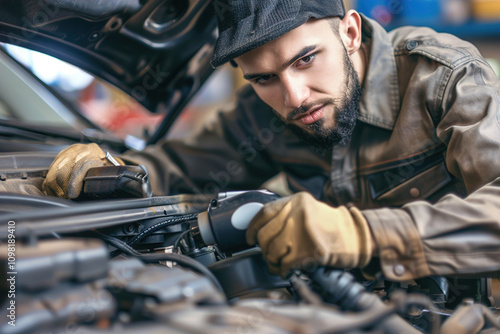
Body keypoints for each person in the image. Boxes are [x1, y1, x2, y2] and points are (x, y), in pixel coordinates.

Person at [43, 0, 500, 281]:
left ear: (350, 31)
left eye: (305, 59)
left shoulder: (445, 79)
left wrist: (363, 236)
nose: (293, 97)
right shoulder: (265, 112)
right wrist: (107, 168)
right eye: (263, 78)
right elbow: (179, 168)